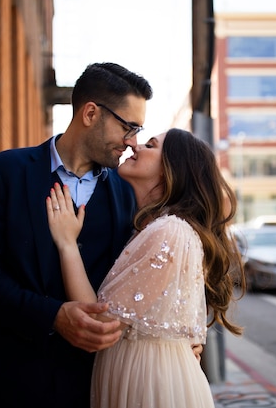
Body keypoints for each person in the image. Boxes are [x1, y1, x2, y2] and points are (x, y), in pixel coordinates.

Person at [0, 62, 154, 408]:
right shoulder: (4, 172)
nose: (132, 142)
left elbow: (142, 284)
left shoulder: (127, 193)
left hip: (98, 384)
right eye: (128, 127)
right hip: (15, 382)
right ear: (91, 113)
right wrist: (52, 316)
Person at [47, 128, 246, 408]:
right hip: (143, 374)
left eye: (151, 145)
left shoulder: (169, 231)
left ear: (169, 170)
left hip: (151, 384)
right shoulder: (157, 227)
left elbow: (100, 323)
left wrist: (67, 244)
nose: (135, 146)